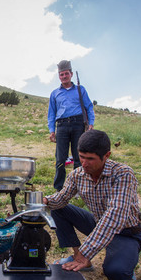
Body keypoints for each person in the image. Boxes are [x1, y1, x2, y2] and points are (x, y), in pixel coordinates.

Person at [43, 129, 141, 280]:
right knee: (58, 208)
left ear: (107, 156)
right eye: (81, 157)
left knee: (117, 274)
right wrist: (45, 201)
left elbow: (115, 216)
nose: (84, 163)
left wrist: (86, 252)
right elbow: (61, 199)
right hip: (97, 224)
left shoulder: (123, 174)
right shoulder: (77, 175)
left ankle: (117, 261)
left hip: (125, 233)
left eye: (90, 159)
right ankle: (80, 259)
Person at [48, 60, 95, 191]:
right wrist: (52, 130)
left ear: (71, 74)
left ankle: (79, 188)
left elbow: (89, 107)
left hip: (78, 124)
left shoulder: (81, 90)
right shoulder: (54, 93)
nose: (64, 77)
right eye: (61, 74)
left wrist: (90, 123)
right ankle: (59, 189)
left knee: (79, 158)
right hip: (62, 126)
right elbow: (51, 113)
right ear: (59, 76)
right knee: (60, 159)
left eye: (66, 74)